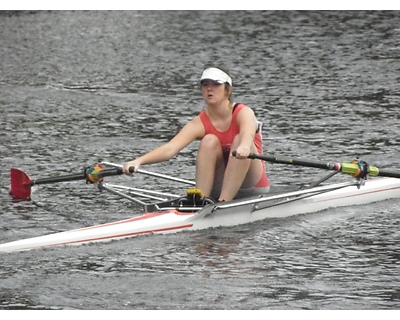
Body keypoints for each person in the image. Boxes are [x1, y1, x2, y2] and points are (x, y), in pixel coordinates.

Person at [123, 66, 270, 202]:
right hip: (221, 185)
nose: (209, 89)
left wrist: (244, 146)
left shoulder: (244, 112)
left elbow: (247, 134)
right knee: (209, 141)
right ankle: (201, 201)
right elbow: (170, 149)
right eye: (205, 84)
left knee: (239, 140)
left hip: (252, 186)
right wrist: (138, 161)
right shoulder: (199, 123)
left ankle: (223, 203)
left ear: (228, 90)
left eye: (216, 84)